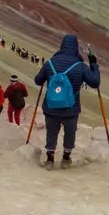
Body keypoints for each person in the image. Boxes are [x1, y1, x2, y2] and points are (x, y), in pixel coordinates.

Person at [33, 35, 101, 169]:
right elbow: (94, 82)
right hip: (71, 108)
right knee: (70, 133)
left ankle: (50, 159)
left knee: (51, 132)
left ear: (62, 46)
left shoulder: (50, 63)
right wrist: (93, 65)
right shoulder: (80, 66)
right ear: (76, 48)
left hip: (51, 106)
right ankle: (66, 158)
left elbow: (37, 80)